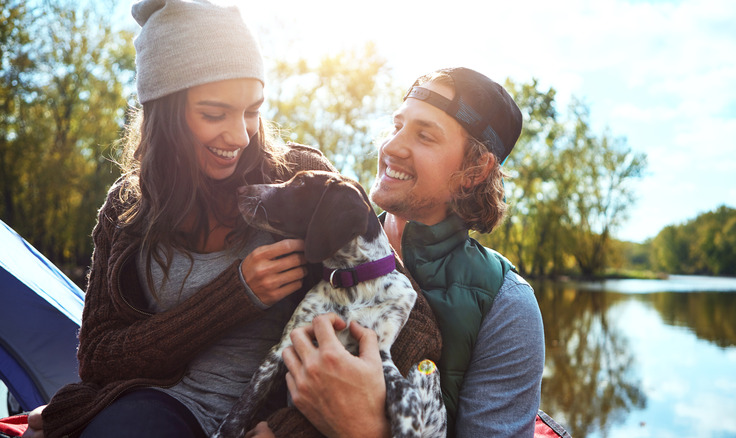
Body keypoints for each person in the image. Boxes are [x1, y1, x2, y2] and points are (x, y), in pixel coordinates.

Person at [21, 1, 440, 437]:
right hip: (157, 407)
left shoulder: (302, 181)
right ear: (165, 112)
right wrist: (234, 295)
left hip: (267, 417)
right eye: (214, 114)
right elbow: (98, 359)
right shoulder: (126, 209)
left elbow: (417, 325)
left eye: (252, 111)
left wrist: (290, 430)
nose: (240, 135)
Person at [273, 68, 545, 437]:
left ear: (476, 169)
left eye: (424, 136)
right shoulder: (314, 243)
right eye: (397, 126)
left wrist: (366, 429)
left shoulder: (507, 306)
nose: (391, 147)